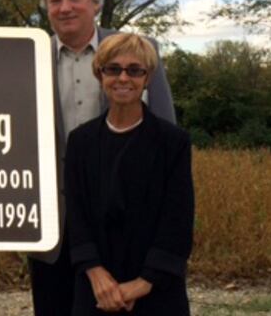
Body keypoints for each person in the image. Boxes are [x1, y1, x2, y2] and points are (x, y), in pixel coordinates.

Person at [28, 0, 177, 315]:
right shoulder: (26, 58)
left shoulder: (138, 54)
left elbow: (164, 138)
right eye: (55, 0)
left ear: (95, 2)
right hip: (56, 227)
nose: (64, 8)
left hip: (127, 224)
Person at [65, 33, 194, 314]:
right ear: (99, 75)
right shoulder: (80, 142)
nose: (123, 78)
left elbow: (178, 219)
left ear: (147, 78)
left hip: (156, 292)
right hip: (96, 291)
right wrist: (96, 273)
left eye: (135, 70)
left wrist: (143, 283)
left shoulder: (173, 142)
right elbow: (76, 215)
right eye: (113, 69)